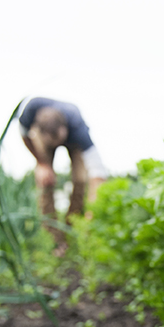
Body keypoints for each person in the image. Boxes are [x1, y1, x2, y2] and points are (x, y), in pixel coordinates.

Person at [18, 97, 108, 248]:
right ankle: (54, 240)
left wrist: (94, 206)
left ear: (64, 129)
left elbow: (98, 172)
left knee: (80, 180)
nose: (58, 145)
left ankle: (71, 230)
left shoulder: (78, 129)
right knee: (45, 182)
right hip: (42, 139)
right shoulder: (29, 112)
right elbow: (25, 136)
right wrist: (42, 163)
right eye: (53, 142)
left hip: (74, 143)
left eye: (59, 139)